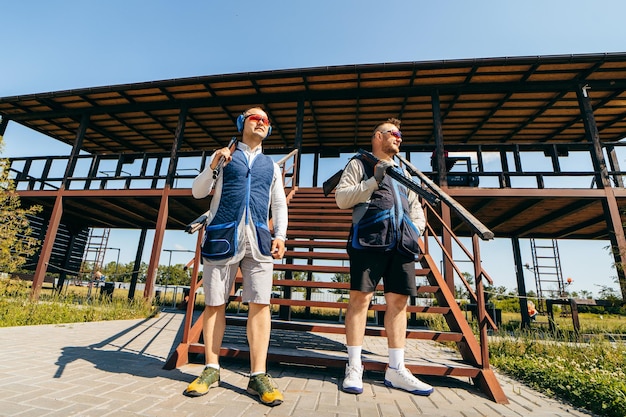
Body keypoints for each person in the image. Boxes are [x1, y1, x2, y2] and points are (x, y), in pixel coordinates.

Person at [184, 107, 288, 406]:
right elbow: (198, 191)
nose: (262, 123)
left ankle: (258, 374)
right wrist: (213, 164)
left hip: (258, 240)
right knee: (215, 303)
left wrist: (280, 234)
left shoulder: (271, 165)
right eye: (256, 118)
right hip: (222, 235)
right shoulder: (224, 157)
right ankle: (211, 368)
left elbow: (278, 204)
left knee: (260, 304)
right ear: (242, 123)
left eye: (267, 121)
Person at [334, 118, 434, 396]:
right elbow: (342, 199)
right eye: (394, 133)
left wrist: (416, 230)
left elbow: (415, 206)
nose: (399, 138)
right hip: (369, 240)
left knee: (399, 303)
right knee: (360, 300)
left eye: (401, 134)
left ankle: (396, 369)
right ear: (378, 137)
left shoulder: (405, 171)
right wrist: (373, 179)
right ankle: (354, 366)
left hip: (402, 243)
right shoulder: (359, 164)